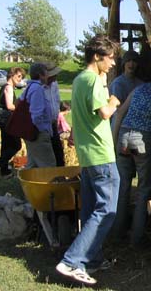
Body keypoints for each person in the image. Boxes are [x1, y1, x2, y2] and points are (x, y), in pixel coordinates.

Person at [56, 35, 121, 286]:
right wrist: (114, 100)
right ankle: (72, 261)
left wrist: (104, 84)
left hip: (87, 155)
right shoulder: (93, 80)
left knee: (91, 207)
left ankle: (91, 259)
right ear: (97, 56)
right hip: (101, 155)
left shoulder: (80, 80)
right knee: (106, 210)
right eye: (111, 57)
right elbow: (104, 112)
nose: (113, 62)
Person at [111, 54, 151, 245]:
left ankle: (117, 232)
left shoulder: (139, 88)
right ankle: (136, 238)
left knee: (123, 185)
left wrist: (113, 142)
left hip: (125, 135)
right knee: (144, 188)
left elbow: (120, 112)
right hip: (141, 138)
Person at [0, 67, 26, 178]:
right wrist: (21, 108)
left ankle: (4, 172)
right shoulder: (9, 88)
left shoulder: (5, 87)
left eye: (21, 77)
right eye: (18, 76)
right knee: (16, 145)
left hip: (3, 121)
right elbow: (9, 106)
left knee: (6, 145)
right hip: (8, 121)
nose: (20, 78)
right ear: (11, 75)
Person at [23, 63, 57, 169]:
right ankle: (48, 185)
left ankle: (28, 184)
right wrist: (44, 130)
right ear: (41, 75)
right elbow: (36, 115)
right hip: (38, 133)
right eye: (46, 73)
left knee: (33, 164)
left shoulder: (30, 87)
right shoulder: (37, 89)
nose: (48, 75)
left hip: (31, 132)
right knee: (48, 165)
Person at [109, 50, 142, 128]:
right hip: (119, 125)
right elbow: (118, 110)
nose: (131, 64)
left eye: (134, 61)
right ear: (124, 64)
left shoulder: (141, 84)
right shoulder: (118, 84)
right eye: (128, 61)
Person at [43, 62, 65, 166]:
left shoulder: (54, 84)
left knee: (58, 152)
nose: (55, 77)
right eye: (53, 75)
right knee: (46, 154)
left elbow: (56, 100)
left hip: (53, 122)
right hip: (43, 124)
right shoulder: (39, 87)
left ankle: (60, 175)